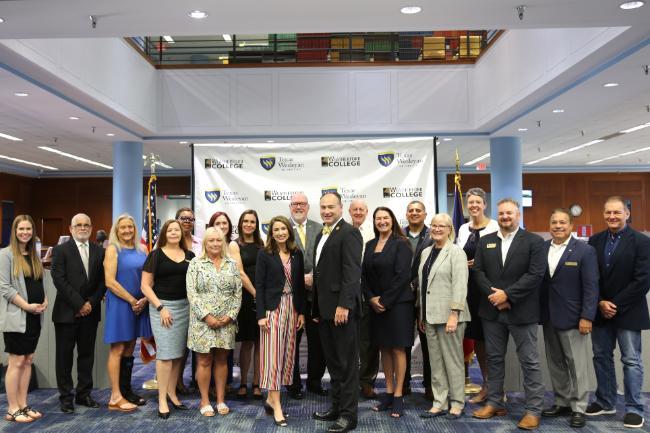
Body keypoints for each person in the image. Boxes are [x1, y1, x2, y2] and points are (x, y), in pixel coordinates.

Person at [471, 198, 546, 430]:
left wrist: (508, 295)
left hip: (522, 311)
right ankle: (494, 402)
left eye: (509, 213)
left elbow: (535, 275)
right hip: (492, 311)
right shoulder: (486, 241)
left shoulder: (533, 241)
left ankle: (533, 409)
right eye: (501, 214)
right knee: (493, 359)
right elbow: (478, 271)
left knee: (529, 361)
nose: (505, 217)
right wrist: (496, 297)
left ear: (518, 215)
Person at [586, 196, 650, 429]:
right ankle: (605, 400)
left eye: (617, 212)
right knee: (601, 356)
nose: (612, 216)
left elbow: (643, 280)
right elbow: (591, 277)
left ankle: (634, 408)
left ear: (627, 214)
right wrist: (601, 302)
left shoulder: (642, 242)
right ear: (603, 214)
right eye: (608, 212)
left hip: (629, 311)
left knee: (631, 361)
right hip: (601, 311)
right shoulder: (594, 241)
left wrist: (615, 304)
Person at [540, 208, 598, 428]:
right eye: (554, 222)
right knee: (555, 363)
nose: (558, 226)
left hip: (574, 318)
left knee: (577, 365)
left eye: (563, 222)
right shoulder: (542, 248)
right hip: (548, 316)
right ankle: (562, 401)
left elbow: (591, 287)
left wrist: (587, 316)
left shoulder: (585, 251)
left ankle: (579, 407)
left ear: (571, 226)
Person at [312, 192, 362, 433]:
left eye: (331, 207)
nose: (326, 211)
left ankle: (349, 416)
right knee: (333, 365)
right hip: (324, 312)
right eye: (323, 207)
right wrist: (316, 310)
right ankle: (336, 407)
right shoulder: (323, 233)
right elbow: (321, 275)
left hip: (342, 311)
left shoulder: (350, 232)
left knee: (346, 365)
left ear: (341, 208)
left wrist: (344, 304)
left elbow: (352, 273)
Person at [51, 213, 106, 414]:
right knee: (64, 358)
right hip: (66, 314)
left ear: (91, 228)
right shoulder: (60, 250)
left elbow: (103, 282)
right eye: (78, 225)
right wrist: (79, 303)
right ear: (71, 229)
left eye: (86, 225)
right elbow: (59, 280)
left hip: (90, 313)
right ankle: (66, 397)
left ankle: (84, 394)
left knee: (86, 356)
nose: (83, 228)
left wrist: (90, 303)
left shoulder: (99, 251)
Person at [362, 207, 413, 418]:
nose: (382, 221)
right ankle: (389, 392)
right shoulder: (370, 244)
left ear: (392, 221)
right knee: (384, 348)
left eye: (385, 218)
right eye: (378, 219)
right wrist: (371, 298)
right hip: (376, 305)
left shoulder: (402, 244)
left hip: (398, 305)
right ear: (374, 222)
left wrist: (384, 300)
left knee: (398, 349)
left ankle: (399, 395)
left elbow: (403, 276)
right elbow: (363, 276)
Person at [417, 213, 469, 420]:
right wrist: (421, 313)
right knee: (436, 363)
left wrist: (454, 314)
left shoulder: (457, 253)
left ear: (450, 229)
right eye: (434, 225)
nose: (437, 229)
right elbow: (423, 286)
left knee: (453, 362)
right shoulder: (426, 252)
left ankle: (457, 403)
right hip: (429, 316)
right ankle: (440, 402)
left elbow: (460, 285)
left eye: (442, 226)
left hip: (450, 317)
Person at [141, 219, 194, 419]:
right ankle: (162, 398)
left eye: (177, 230)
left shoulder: (190, 256)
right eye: (170, 230)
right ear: (165, 233)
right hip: (162, 308)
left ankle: (172, 392)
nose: (174, 232)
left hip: (185, 308)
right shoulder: (155, 255)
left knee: (178, 354)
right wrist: (161, 307)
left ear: (182, 233)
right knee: (165, 354)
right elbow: (145, 286)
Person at [256, 216, 306, 427]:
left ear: (289, 231)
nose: (280, 233)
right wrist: (260, 315)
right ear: (271, 233)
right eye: (276, 229)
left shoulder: (296, 253)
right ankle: (277, 405)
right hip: (272, 311)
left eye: (283, 229)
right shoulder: (265, 254)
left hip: (292, 309)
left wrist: (301, 312)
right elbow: (259, 286)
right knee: (273, 358)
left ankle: (270, 399)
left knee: (286, 356)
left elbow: (301, 287)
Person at [186, 227, 242, 417]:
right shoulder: (195, 263)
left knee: (221, 359)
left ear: (223, 243)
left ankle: (220, 400)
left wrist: (230, 316)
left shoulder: (232, 264)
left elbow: (237, 293)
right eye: (211, 241)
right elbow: (192, 293)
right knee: (204, 360)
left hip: (226, 322)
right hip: (202, 322)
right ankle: (204, 400)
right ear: (205, 243)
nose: (216, 244)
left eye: (219, 240)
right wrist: (207, 316)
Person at [0, 215, 47, 423]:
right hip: (17, 317)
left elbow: (38, 282)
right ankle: (12, 408)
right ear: (15, 231)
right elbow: (5, 287)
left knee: (28, 360)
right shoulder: (6, 254)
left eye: (28, 229)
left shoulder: (33, 255)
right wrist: (27, 306)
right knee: (16, 361)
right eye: (21, 229)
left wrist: (44, 300)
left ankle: (23, 404)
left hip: (35, 317)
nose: (25, 232)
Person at [103, 213, 151, 412]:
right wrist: (132, 300)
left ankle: (126, 390)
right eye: (123, 227)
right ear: (116, 230)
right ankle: (115, 396)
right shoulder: (113, 250)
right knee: (118, 349)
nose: (127, 231)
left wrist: (144, 300)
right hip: (121, 304)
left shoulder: (142, 250)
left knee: (130, 348)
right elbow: (110, 281)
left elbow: (149, 277)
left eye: (130, 227)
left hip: (139, 305)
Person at [455, 187, 498, 404]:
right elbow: (456, 255)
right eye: (470, 202)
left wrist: (478, 265)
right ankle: (486, 385)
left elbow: (501, 259)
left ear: (484, 204)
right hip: (469, 292)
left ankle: (497, 389)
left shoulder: (495, 227)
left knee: (492, 340)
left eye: (477, 202)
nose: (473, 206)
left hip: (489, 291)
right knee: (478, 339)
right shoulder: (463, 229)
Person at [209, 211, 255, 391]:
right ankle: (209, 385)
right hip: (211, 306)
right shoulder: (208, 248)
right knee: (209, 350)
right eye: (218, 223)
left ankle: (224, 383)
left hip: (232, 304)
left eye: (225, 223)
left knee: (225, 347)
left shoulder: (231, 246)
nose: (222, 226)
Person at [288, 193, 327, 398]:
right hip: (292, 299)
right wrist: (298, 279)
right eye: (295, 204)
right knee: (291, 343)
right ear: (290, 206)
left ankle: (314, 382)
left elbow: (326, 258)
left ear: (308, 206)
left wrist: (315, 277)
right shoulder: (282, 228)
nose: (299, 207)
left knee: (317, 344)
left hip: (315, 298)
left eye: (302, 203)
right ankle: (293, 384)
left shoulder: (319, 228)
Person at [402, 200, 432, 400]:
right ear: (406, 214)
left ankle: (430, 385)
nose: (414, 213)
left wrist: (414, 283)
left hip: (425, 297)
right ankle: (403, 384)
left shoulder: (433, 235)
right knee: (402, 343)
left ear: (425, 214)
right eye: (411, 210)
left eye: (418, 210)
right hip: (401, 298)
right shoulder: (398, 235)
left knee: (428, 343)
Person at [349, 199, 379, 399]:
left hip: (368, 292)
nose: (358, 212)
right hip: (348, 292)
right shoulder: (342, 231)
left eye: (362, 209)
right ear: (349, 211)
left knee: (369, 340)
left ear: (367, 212)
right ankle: (349, 381)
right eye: (355, 209)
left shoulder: (374, 232)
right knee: (348, 340)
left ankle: (367, 381)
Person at [235, 210, 264, 399]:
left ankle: (257, 383)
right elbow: (240, 272)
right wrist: (255, 294)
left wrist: (262, 296)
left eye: (252, 221)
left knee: (260, 343)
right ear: (240, 223)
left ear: (256, 224)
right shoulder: (234, 245)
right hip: (246, 299)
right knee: (247, 343)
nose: (249, 224)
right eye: (245, 221)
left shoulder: (263, 244)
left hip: (262, 298)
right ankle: (243, 382)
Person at [175, 207, 200, 394]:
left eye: (190, 219)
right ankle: (176, 381)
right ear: (176, 220)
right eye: (183, 218)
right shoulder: (169, 242)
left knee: (199, 344)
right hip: (178, 299)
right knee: (179, 344)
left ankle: (199, 381)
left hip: (200, 299)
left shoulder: (200, 243)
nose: (187, 221)